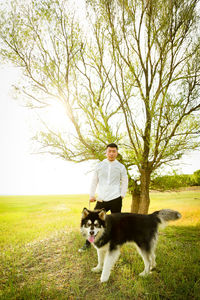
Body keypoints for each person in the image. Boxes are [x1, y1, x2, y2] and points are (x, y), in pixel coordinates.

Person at [78, 143, 128, 252]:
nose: (111, 153)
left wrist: (122, 195)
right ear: (106, 152)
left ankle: (114, 245)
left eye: (113, 151)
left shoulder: (121, 167)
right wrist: (92, 194)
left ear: (117, 152)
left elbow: (125, 181)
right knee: (92, 221)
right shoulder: (99, 165)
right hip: (101, 198)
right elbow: (94, 181)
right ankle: (87, 244)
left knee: (116, 223)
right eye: (109, 151)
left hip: (115, 198)